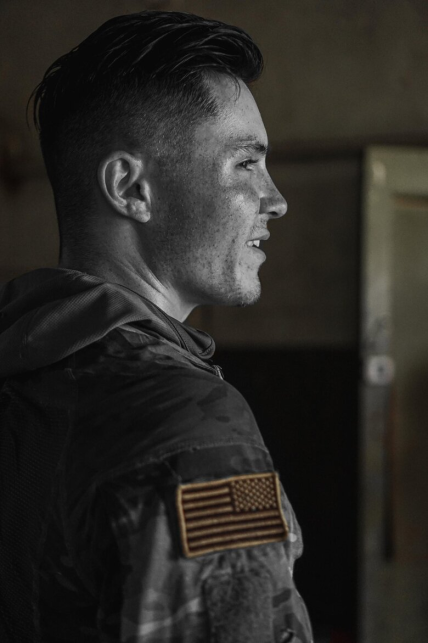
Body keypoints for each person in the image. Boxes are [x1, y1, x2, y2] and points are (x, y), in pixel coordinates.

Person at [0, 10, 312, 643]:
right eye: (246, 164)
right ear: (131, 189)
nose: (276, 200)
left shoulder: (23, 369)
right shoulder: (192, 425)